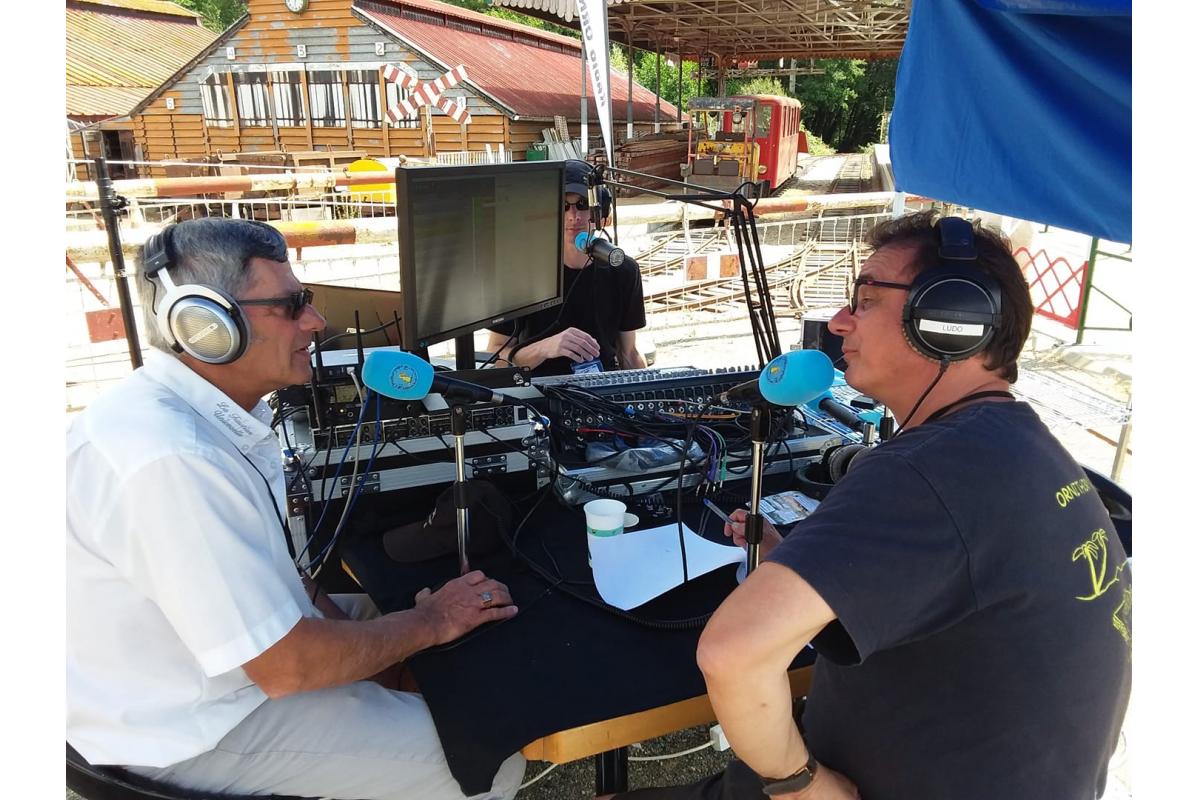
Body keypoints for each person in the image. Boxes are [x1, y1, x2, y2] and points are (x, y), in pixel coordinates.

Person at [612, 212, 1131, 800]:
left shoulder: (926, 471)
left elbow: (732, 653)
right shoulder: (1015, 445)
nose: (837, 323)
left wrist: (801, 786)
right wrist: (810, 564)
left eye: (863, 299)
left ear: (949, 319)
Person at [66, 218, 526, 800]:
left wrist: (399, 649)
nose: (316, 322)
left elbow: (293, 588)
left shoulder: (206, 417)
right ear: (205, 325)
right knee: (487, 758)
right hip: (187, 731)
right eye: (291, 306)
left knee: (428, 637)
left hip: (219, 674)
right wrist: (428, 625)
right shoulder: (172, 459)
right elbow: (286, 665)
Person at [487, 159, 648, 376]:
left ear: (599, 213)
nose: (574, 216)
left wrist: (651, 393)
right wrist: (546, 348)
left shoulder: (623, 269)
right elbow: (497, 355)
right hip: (539, 393)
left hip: (600, 390)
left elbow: (628, 352)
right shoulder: (519, 271)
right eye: (563, 206)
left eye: (582, 204)